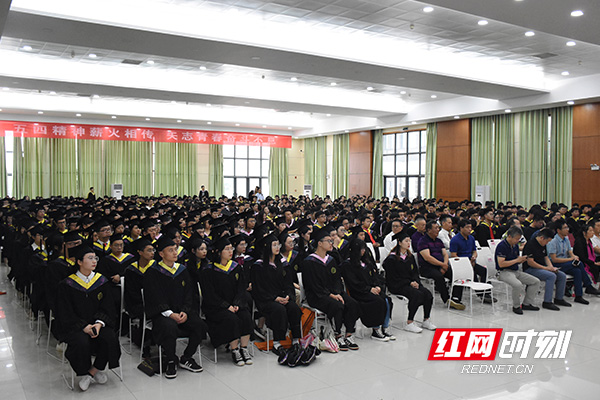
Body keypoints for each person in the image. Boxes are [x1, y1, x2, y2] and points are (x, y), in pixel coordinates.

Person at [56, 245, 121, 391]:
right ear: (79, 262)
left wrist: (99, 323)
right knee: (81, 342)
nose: (94, 261)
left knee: (110, 338)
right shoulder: (67, 284)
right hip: (76, 325)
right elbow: (65, 312)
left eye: (95, 258)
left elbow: (108, 306)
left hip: (98, 323)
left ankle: (92, 372)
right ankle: (84, 371)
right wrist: (83, 326)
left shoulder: (101, 281)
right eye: (90, 258)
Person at [143, 236, 206, 378]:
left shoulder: (182, 270)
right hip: (162, 313)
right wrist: (170, 313)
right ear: (161, 254)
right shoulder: (153, 272)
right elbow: (154, 297)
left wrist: (185, 311)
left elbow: (189, 293)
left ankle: (187, 357)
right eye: (170, 250)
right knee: (169, 326)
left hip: (181, 312)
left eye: (175, 250)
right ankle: (171, 359)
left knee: (200, 325)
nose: (175, 253)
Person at [302, 228, 360, 351]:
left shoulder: (331, 260)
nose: (331, 243)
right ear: (320, 243)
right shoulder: (309, 262)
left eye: (331, 241)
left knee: (352, 303)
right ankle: (337, 334)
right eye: (328, 241)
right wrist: (331, 295)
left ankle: (348, 334)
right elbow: (313, 285)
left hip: (333, 293)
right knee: (337, 305)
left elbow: (337, 280)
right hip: (317, 295)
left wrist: (337, 293)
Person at [200, 236, 253, 367]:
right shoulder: (208, 270)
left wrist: (237, 303)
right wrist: (226, 306)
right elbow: (209, 294)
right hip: (216, 307)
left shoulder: (235, 267)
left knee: (245, 315)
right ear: (219, 252)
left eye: (231, 248)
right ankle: (235, 350)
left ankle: (244, 348)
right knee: (231, 319)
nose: (230, 251)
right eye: (227, 249)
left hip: (235, 304)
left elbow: (241, 289)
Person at [250, 234, 303, 364]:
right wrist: (275, 298)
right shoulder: (259, 266)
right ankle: (277, 342)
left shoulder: (283, 264)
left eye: (278, 244)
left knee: (294, 308)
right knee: (279, 310)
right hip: (266, 300)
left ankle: (295, 340)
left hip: (282, 297)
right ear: (267, 247)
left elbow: (288, 284)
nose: (277, 247)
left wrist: (288, 296)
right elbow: (259, 289)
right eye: (274, 245)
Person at [342, 239, 395, 341]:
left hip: (371, 290)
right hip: (359, 292)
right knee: (377, 301)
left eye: (364, 249)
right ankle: (375, 329)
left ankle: (385, 327)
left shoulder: (366, 262)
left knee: (387, 300)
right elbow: (353, 283)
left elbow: (375, 277)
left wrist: (377, 286)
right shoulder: (347, 265)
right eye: (361, 249)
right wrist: (369, 289)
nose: (363, 251)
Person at [383, 233, 435, 333]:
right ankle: (410, 322)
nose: (408, 243)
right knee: (416, 295)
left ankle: (426, 319)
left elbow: (415, 272)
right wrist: (409, 282)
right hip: (397, 285)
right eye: (406, 241)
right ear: (399, 243)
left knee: (427, 294)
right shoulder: (391, 259)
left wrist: (416, 282)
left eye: (409, 241)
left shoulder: (410, 257)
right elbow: (393, 277)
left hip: (410, 283)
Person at [547, 220, 600, 305]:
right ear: (558, 230)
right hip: (555, 264)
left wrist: (574, 257)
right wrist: (571, 259)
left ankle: (578, 296)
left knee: (577, 271)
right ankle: (588, 285)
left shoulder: (566, 239)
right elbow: (554, 259)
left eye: (567, 227)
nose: (567, 229)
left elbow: (570, 252)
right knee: (580, 264)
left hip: (566, 263)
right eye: (565, 228)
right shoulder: (553, 241)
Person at [417, 220, 465, 310]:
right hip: (427, 267)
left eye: (438, 228)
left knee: (457, 274)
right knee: (438, 276)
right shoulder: (422, 241)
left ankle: (456, 297)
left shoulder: (439, 241)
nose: (438, 230)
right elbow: (427, 257)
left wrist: (445, 265)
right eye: (435, 228)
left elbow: (445, 254)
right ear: (429, 230)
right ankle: (447, 299)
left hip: (441, 265)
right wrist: (442, 265)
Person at [495, 226, 540, 314]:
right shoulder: (501, 246)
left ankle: (527, 303)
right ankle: (516, 306)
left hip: (515, 271)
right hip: (503, 272)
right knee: (517, 284)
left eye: (519, 239)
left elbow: (516, 259)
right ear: (509, 236)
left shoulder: (515, 246)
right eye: (516, 239)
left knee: (535, 281)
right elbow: (501, 264)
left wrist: (521, 260)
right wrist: (517, 260)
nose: (518, 241)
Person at [522, 228, 570, 310]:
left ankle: (559, 298)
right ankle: (547, 302)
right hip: (531, 269)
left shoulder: (543, 245)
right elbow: (530, 262)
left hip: (542, 268)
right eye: (547, 241)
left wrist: (551, 267)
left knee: (561, 275)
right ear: (542, 238)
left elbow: (546, 257)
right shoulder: (530, 244)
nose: (547, 243)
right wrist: (546, 268)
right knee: (551, 276)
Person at [449, 219, 494, 303]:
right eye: (467, 227)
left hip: (471, 262)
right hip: (461, 264)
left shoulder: (471, 238)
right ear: (461, 228)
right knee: (472, 276)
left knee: (484, 271)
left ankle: (486, 293)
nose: (470, 229)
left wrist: (474, 257)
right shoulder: (455, 240)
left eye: (470, 227)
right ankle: (457, 298)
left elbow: (474, 251)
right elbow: (453, 255)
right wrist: (466, 263)